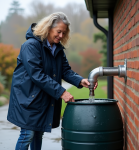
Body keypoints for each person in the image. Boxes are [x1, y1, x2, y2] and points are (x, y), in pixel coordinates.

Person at [7, 12, 97, 150]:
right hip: (27, 98)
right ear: (48, 28)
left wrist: (80, 81)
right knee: (27, 134)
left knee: (38, 134)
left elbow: (65, 71)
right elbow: (37, 74)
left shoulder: (58, 49)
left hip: (42, 98)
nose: (61, 36)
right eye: (58, 31)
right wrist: (62, 92)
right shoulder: (31, 45)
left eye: (63, 33)